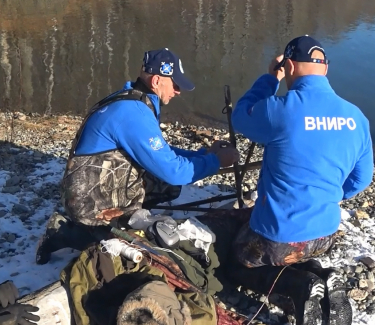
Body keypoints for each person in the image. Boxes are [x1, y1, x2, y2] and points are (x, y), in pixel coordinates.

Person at [227, 35, 374, 325]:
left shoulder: (281, 109)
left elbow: (241, 115)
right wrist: (332, 194)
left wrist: (271, 77)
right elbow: (361, 179)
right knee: (297, 253)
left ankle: (298, 287)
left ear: (290, 65)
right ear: (325, 69)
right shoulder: (356, 118)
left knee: (237, 262)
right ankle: (324, 277)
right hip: (324, 236)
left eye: (286, 68)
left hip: (277, 238)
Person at [36, 48, 238, 264]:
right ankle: (65, 232)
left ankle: (126, 218)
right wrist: (217, 161)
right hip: (86, 200)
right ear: (157, 81)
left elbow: (159, 152)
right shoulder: (133, 114)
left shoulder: (134, 100)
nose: (178, 91)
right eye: (175, 84)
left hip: (97, 184)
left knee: (164, 185)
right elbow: (174, 171)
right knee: (123, 248)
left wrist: (203, 154)